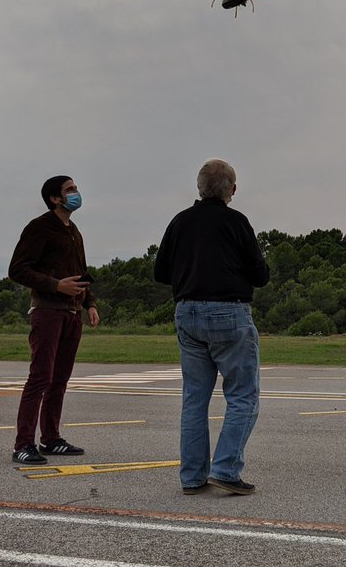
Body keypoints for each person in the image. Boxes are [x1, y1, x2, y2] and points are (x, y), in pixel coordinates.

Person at [154, 159, 270, 495]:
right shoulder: (236, 222)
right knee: (243, 395)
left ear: (199, 187)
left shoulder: (179, 221)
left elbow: (160, 272)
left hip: (187, 311)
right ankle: (226, 469)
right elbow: (260, 275)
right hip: (229, 312)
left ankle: (192, 476)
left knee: (195, 397)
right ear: (232, 189)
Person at [7, 175, 99, 464]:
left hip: (73, 314)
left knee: (60, 380)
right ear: (55, 199)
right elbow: (17, 269)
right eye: (70, 189)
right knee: (40, 378)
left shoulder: (74, 230)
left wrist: (90, 303)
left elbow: (80, 271)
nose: (76, 193)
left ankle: (51, 438)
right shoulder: (39, 227)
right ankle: (23, 444)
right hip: (47, 311)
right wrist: (56, 285)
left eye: (76, 188)